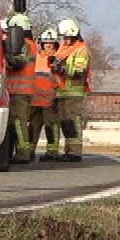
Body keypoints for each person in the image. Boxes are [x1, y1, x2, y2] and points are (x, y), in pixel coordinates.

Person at [50, 17, 91, 162]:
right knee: (65, 123)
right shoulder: (63, 48)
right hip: (62, 93)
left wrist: (62, 68)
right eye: (64, 37)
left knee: (74, 122)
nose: (65, 40)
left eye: (67, 37)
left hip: (74, 93)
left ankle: (75, 152)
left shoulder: (81, 50)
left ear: (74, 34)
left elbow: (80, 70)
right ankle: (68, 150)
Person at [3, 13, 36, 164]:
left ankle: (23, 153)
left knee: (18, 122)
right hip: (20, 91)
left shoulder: (24, 44)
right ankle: (21, 151)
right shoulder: (31, 43)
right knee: (16, 122)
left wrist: (7, 56)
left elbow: (19, 62)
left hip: (19, 91)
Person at [30, 29, 62, 161]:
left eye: (51, 44)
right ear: (41, 44)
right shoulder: (36, 58)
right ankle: (28, 151)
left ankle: (52, 152)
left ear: (56, 45)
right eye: (46, 43)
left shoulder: (58, 59)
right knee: (32, 127)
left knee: (52, 127)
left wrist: (57, 96)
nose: (48, 46)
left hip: (50, 100)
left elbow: (60, 79)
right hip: (35, 100)